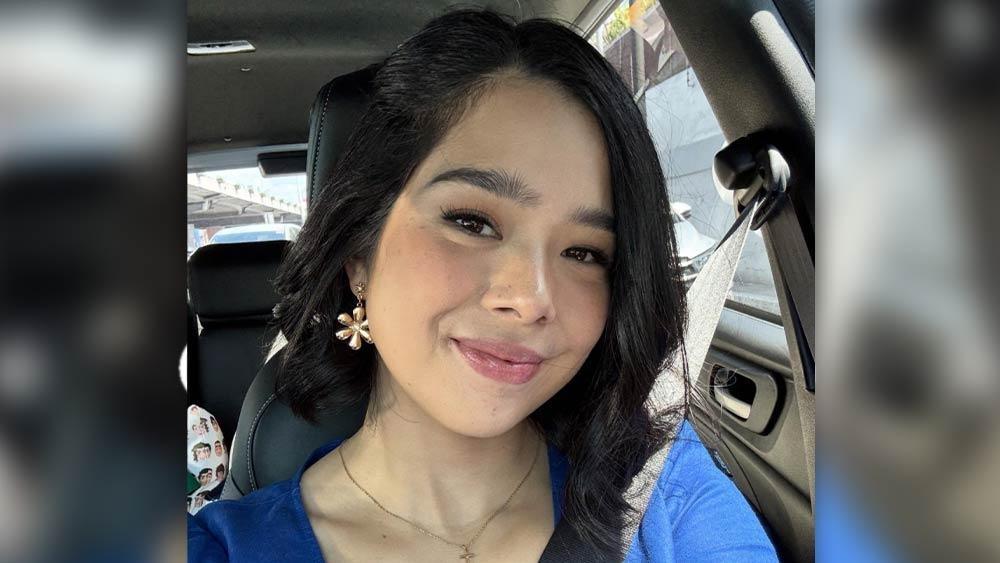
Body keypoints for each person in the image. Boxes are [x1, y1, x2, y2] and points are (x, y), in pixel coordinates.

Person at [188, 8, 776, 562]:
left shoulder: (662, 494)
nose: (531, 299)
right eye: (472, 223)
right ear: (359, 254)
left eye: (584, 253)